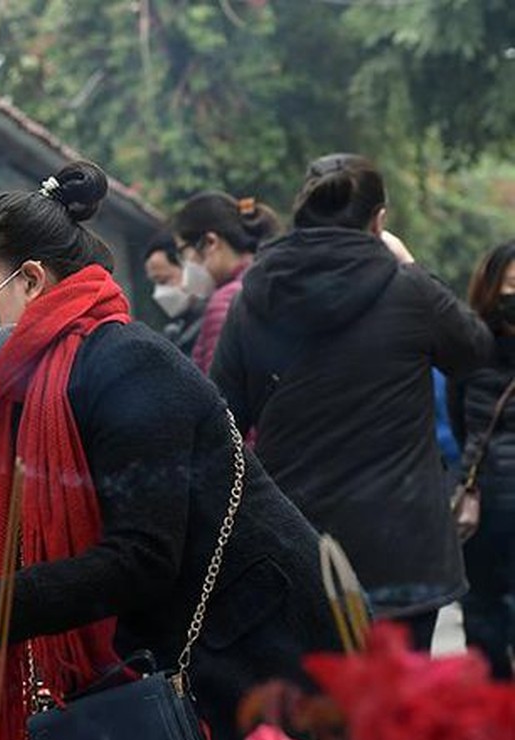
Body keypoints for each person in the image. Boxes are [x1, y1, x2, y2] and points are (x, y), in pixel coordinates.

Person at [0, 161, 341, 740]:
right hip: (180, 671)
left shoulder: (130, 364)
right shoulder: (18, 406)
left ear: (29, 280)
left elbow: (140, 559)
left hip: (263, 658)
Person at [210, 153, 494, 651]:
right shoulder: (408, 290)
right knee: (397, 711)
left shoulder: (254, 295)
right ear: (379, 219)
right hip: (405, 553)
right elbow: (474, 350)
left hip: (302, 546)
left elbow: (224, 415)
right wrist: (411, 264)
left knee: (322, 714)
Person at [450, 240, 515, 678]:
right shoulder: (468, 346)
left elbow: (458, 422)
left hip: (487, 497)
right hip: (489, 504)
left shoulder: (469, 346)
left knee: (486, 613)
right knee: (488, 614)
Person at [171, 192, 280, 373]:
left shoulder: (226, 301)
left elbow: (218, 395)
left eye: (183, 252)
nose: (184, 264)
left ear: (211, 242)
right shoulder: (271, 276)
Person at [144, 233, 205, 356]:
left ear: (189, 268)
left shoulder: (216, 318)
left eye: (163, 281)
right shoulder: (175, 332)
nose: (159, 293)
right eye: (155, 284)